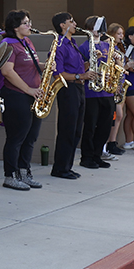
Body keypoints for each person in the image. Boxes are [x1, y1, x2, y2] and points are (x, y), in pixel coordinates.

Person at [0, 10, 44, 191]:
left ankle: (24, 172)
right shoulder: (8, 44)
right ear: (15, 26)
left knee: (30, 137)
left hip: (32, 95)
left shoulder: (27, 42)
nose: (29, 25)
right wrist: (29, 90)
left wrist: (45, 66)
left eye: (29, 22)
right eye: (25, 23)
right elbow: (7, 71)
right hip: (17, 96)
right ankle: (10, 175)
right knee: (16, 138)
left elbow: (31, 64)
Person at [48, 12, 88, 180]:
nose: (75, 23)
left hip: (78, 89)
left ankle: (67, 166)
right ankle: (60, 168)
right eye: (71, 21)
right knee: (67, 129)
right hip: (68, 89)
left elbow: (78, 69)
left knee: (76, 130)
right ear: (63, 26)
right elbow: (59, 74)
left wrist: (90, 64)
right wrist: (81, 77)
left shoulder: (73, 43)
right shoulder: (59, 44)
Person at [77, 15, 116, 170]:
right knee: (90, 126)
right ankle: (86, 157)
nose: (98, 31)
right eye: (95, 27)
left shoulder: (108, 46)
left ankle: (97, 155)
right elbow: (80, 69)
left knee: (105, 126)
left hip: (107, 91)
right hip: (91, 91)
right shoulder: (83, 46)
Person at [105, 23, 129, 158]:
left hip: (120, 84)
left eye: (122, 34)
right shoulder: (109, 47)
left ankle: (112, 141)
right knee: (116, 115)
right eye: (119, 33)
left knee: (119, 115)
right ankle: (110, 142)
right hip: (112, 85)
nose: (121, 36)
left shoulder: (117, 48)